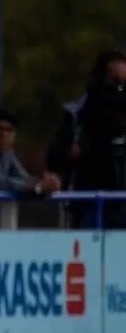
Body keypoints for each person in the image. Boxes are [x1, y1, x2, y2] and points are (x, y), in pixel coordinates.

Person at [47, 49, 126, 228]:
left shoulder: (121, 102)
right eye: (112, 81)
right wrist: (73, 151)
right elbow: (55, 156)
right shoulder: (79, 115)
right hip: (88, 204)